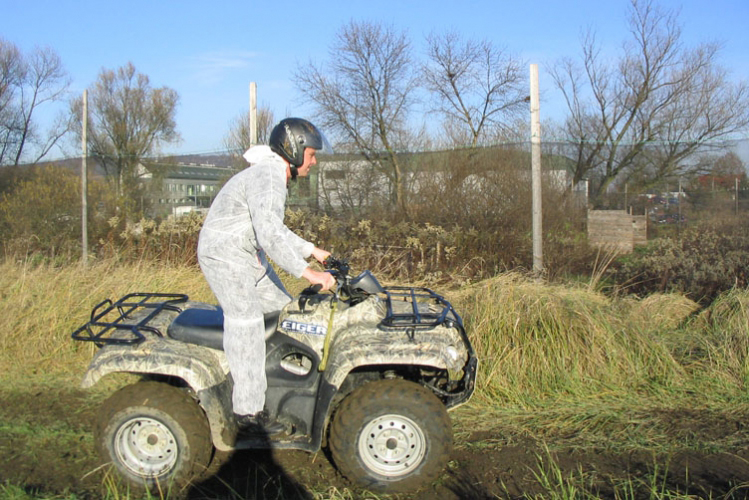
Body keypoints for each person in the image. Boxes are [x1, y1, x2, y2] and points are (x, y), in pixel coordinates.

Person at [197, 117, 336, 433]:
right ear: (295, 150)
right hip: (225, 257)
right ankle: (247, 415)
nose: (314, 162)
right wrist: (307, 273)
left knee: (284, 312)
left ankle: (276, 381)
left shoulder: (274, 174)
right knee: (246, 324)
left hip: (247, 256)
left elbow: (274, 228)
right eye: (312, 155)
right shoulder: (269, 176)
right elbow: (270, 233)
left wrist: (312, 250)